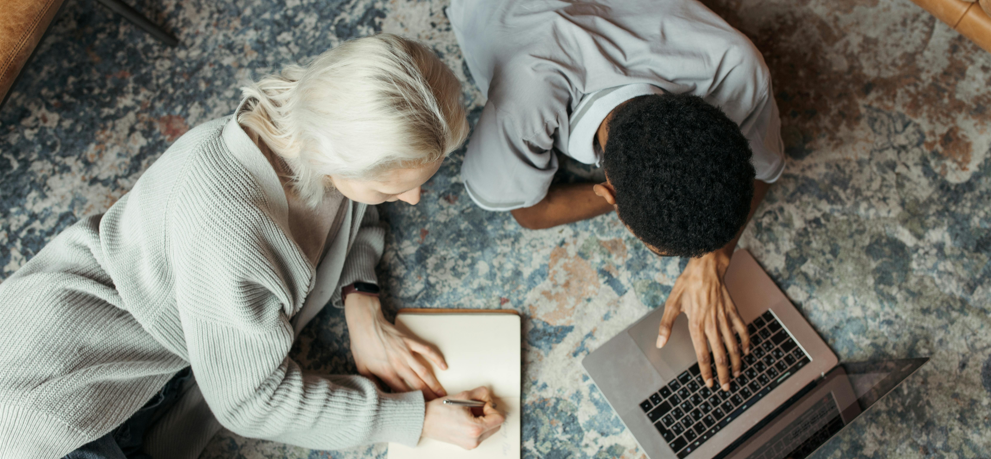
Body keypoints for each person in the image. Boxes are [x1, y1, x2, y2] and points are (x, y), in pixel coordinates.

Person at [0, 34, 504, 459]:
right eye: (394, 187)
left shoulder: (307, 127)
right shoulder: (233, 231)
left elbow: (351, 208)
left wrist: (362, 301)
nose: (412, 201)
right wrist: (414, 421)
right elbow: (250, 400)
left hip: (139, 363)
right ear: (336, 158)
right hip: (48, 401)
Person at [448, 0, 786, 392]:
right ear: (607, 195)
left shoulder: (737, 63)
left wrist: (714, 260)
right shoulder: (523, 98)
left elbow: (757, 171)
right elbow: (529, 213)